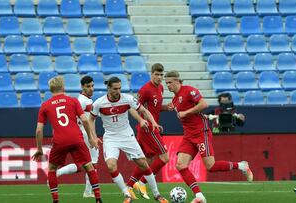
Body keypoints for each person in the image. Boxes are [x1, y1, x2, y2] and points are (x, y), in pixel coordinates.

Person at [164, 71, 253, 203]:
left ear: (177, 81)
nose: (168, 86)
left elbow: (204, 104)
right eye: (166, 83)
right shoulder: (174, 99)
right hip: (188, 135)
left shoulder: (189, 90)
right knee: (180, 165)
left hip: (201, 133)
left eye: (170, 82)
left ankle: (241, 166)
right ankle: (199, 196)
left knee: (210, 166)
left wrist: (186, 113)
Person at [89, 76, 168, 203]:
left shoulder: (127, 99)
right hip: (110, 137)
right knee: (111, 166)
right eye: (115, 89)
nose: (118, 91)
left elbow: (144, 110)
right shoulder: (99, 103)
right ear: (108, 88)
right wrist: (93, 137)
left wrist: (153, 122)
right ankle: (127, 194)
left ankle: (157, 194)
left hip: (127, 135)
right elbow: (90, 119)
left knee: (143, 163)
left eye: (120, 88)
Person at [31, 76, 102, 203]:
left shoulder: (45, 105)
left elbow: (38, 130)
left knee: (52, 169)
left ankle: (56, 200)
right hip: (76, 138)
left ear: (50, 89)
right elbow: (85, 120)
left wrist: (39, 149)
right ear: (63, 87)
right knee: (90, 167)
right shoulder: (73, 101)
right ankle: (98, 199)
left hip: (59, 141)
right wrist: (91, 138)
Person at [127, 63, 172, 200]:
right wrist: (143, 121)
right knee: (164, 158)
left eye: (161, 75)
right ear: (151, 74)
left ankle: (130, 185)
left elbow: (155, 108)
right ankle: (142, 182)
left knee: (146, 160)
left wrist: (166, 107)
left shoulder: (161, 88)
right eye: (156, 74)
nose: (159, 77)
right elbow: (133, 107)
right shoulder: (145, 90)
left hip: (153, 127)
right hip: (148, 129)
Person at [56, 75, 100, 198]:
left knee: (87, 164)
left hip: (86, 134)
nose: (91, 88)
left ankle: (87, 191)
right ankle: (59, 173)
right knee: (90, 163)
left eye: (92, 86)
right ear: (82, 87)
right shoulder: (81, 101)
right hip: (85, 135)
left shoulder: (86, 100)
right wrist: (92, 137)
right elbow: (76, 118)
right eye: (88, 86)